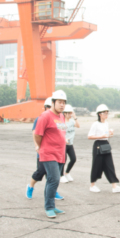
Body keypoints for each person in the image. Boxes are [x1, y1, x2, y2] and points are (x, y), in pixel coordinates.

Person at [33, 90, 69, 218]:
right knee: (54, 179)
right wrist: (40, 146)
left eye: (64, 102)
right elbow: (37, 134)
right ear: (53, 102)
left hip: (60, 153)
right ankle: (49, 207)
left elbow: (61, 133)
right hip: (48, 153)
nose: (62, 105)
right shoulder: (45, 116)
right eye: (59, 102)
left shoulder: (61, 116)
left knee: (52, 180)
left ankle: (52, 206)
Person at [27, 97, 63, 201]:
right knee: (40, 172)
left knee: (53, 175)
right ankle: (30, 187)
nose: (49, 108)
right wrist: (37, 146)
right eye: (47, 107)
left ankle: (53, 192)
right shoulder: (41, 118)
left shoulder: (58, 118)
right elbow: (35, 133)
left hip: (55, 152)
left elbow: (60, 132)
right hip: (43, 152)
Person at [87, 104, 120, 193]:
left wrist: (110, 133)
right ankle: (92, 185)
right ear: (99, 114)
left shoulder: (106, 123)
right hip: (98, 144)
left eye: (107, 113)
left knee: (109, 165)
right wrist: (101, 136)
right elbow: (89, 136)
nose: (106, 114)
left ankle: (114, 186)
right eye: (104, 113)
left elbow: (106, 135)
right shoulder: (95, 124)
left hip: (106, 144)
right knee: (96, 165)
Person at [59, 104, 80, 184]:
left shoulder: (72, 121)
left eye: (71, 113)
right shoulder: (62, 122)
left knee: (73, 159)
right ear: (65, 113)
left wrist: (75, 117)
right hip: (63, 144)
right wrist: (64, 139)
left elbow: (78, 126)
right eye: (69, 113)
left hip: (70, 144)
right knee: (63, 160)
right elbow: (59, 133)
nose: (70, 114)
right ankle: (61, 175)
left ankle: (67, 173)